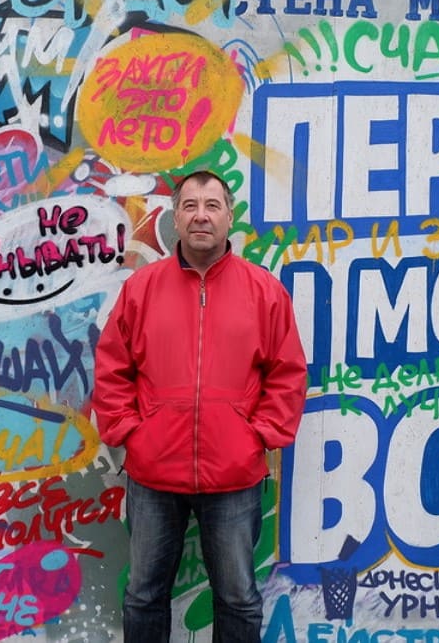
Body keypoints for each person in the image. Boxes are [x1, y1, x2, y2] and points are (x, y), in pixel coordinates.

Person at [92, 169, 308, 642]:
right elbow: (112, 367)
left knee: (238, 599)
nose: (201, 216)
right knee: (144, 596)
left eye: (212, 205)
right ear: (176, 218)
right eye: (189, 206)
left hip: (234, 476)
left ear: (229, 216)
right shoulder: (142, 288)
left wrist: (257, 437)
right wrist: (132, 434)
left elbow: (287, 373)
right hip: (153, 474)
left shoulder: (263, 291)